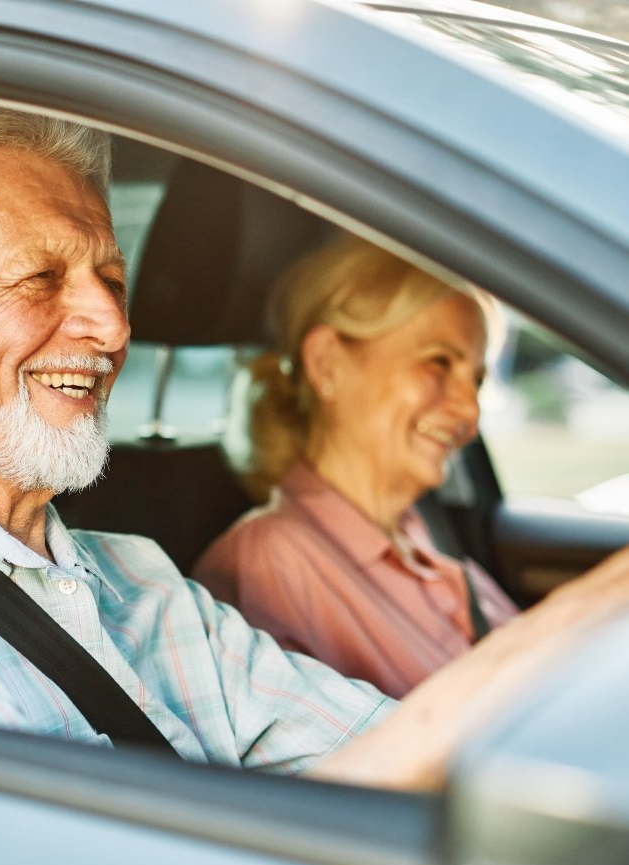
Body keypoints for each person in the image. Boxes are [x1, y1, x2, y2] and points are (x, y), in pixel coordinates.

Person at [0, 97, 629, 791]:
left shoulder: (136, 583)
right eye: (39, 277)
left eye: (109, 273)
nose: (109, 322)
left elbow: (388, 746)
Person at [194, 235, 518, 697]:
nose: (471, 412)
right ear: (327, 363)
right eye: (439, 363)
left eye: (478, 379)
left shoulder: (423, 540)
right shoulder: (268, 565)